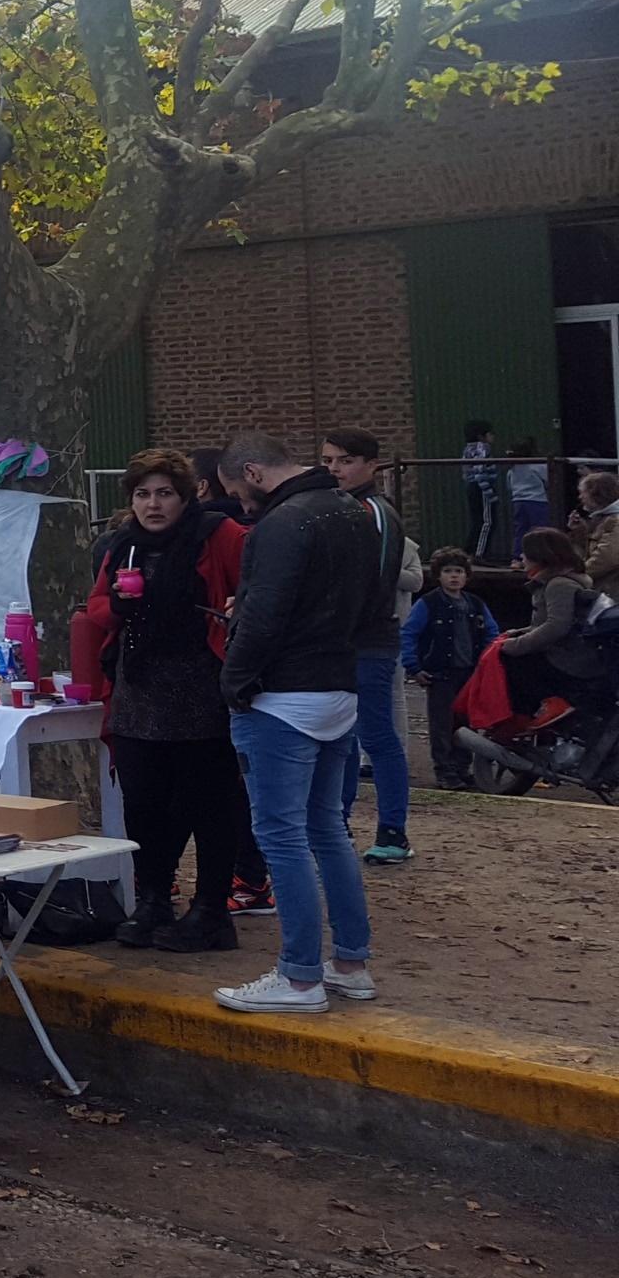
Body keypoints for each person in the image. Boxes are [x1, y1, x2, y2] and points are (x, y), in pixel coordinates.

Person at [211, 432, 379, 1015]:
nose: (240, 503)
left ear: (254, 473)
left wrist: (232, 680)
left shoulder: (283, 522)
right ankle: (350, 963)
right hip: (338, 686)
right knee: (327, 830)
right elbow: (365, 602)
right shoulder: (353, 511)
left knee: (281, 836)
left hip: (282, 697)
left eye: (238, 492)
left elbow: (266, 612)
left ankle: (300, 976)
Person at [72, 447, 249, 952]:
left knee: (208, 802)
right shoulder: (122, 544)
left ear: (186, 496)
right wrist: (117, 604)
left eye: (164, 494)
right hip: (139, 687)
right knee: (144, 800)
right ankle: (153, 899)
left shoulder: (218, 534)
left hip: (202, 687)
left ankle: (212, 911)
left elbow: (255, 591)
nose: (153, 504)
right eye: (142, 494)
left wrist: (236, 610)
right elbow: (97, 607)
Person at [321, 429, 421, 862]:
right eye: (327, 461)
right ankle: (337, 825)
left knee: (377, 736)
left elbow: (376, 581)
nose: (334, 469)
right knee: (339, 736)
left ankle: (393, 831)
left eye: (344, 461)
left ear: (370, 465)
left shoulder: (375, 511)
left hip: (368, 641)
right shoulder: (337, 507)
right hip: (338, 642)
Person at [401, 548, 490, 788]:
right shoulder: (428, 604)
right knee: (441, 725)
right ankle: (444, 770)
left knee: (466, 724)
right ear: (438, 576)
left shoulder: (475, 604)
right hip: (440, 674)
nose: (453, 576)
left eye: (459, 571)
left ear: (466, 576)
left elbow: (491, 633)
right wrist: (413, 666)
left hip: (469, 674)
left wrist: (486, 663)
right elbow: (408, 633)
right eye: (447, 571)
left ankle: (463, 768)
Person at [499, 528, 604, 721]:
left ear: (539, 556)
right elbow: (543, 623)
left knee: (510, 660)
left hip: (569, 660)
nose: (522, 557)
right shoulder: (557, 581)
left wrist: (516, 645)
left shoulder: (558, 584)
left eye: (525, 553)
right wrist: (516, 633)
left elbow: (557, 626)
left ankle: (531, 714)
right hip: (569, 653)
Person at [462, 419, 503, 556]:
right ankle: (480, 553)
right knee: (488, 522)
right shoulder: (482, 447)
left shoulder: (468, 448)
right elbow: (479, 470)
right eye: (490, 434)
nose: (493, 437)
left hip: (472, 486)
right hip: (482, 487)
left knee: (477, 521)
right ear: (481, 436)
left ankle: (469, 551)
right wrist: (489, 493)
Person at [581, 471, 619, 601]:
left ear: (596, 493)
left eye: (584, 492)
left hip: (612, 591)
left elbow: (608, 556)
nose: (581, 497)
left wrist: (580, 575)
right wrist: (578, 532)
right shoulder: (602, 519)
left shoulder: (615, 520)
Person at [507, 439, 553, 537]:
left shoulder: (513, 469)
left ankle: (518, 547)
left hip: (518, 502)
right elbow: (550, 480)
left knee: (520, 530)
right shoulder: (538, 465)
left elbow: (509, 486)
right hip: (537, 501)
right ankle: (540, 547)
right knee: (540, 530)